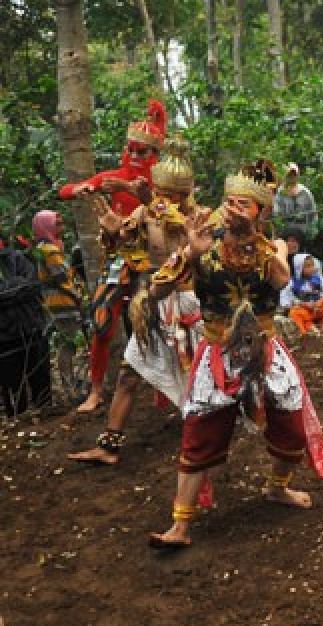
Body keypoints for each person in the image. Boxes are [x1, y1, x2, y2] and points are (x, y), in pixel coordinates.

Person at [146, 160, 323, 549]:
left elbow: (282, 281)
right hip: (218, 351)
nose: (232, 209)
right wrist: (190, 256)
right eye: (229, 201)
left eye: (243, 204)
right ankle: (180, 525)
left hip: (264, 348)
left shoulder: (272, 247)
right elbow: (156, 294)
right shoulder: (203, 244)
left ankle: (278, 487)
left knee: (291, 428)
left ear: (261, 212)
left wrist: (254, 240)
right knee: (200, 433)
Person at [67, 137, 209, 466]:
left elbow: (188, 247)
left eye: (170, 194)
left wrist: (159, 207)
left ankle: (212, 431)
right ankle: (109, 446)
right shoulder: (146, 212)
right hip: (152, 303)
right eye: (161, 191)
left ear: (186, 193)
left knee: (196, 374)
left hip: (186, 305)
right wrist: (116, 232)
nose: (162, 198)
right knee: (129, 374)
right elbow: (135, 253)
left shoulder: (198, 217)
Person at [66, 101, 168, 413]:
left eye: (143, 152)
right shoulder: (114, 175)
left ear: (155, 156)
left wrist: (130, 189)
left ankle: (162, 391)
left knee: (153, 321)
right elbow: (67, 190)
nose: (136, 157)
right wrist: (82, 188)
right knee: (101, 319)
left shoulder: (163, 181)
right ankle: (96, 392)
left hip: (154, 263)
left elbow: (167, 210)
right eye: (132, 151)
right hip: (122, 260)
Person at [31, 210, 86, 392]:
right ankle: (70, 386)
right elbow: (62, 278)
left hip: (56, 302)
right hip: (63, 302)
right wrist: (78, 296)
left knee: (67, 343)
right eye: (57, 223)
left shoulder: (46, 248)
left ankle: (69, 384)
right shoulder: (50, 250)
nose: (61, 226)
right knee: (68, 344)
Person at [0, 238, 51, 416]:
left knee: (41, 379)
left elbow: (32, 286)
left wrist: (8, 291)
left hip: (32, 329)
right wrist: (17, 286)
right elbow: (22, 288)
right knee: (13, 388)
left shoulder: (18, 258)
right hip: (4, 339)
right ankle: (17, 418)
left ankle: (45, 411)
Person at [280, 253, 323, 335]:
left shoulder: (318, 277)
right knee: (295, 313)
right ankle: (306, 333)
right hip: (306, 311)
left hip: (321, 307)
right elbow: (284, 302)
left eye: (312, 265)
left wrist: (322, 300)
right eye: (308, 266)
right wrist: (303, 304)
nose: (312, 269)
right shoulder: (292, 283)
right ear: (299, 268)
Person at [273, 163, 318, 240]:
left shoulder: (305, 192)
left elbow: (313, 214)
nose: (292, 177)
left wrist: (312, 231)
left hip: (302, 230)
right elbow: (276, 213)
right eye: (290, 174)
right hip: (286, 230)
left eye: (294, 174)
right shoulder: (280, 192)